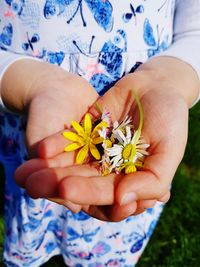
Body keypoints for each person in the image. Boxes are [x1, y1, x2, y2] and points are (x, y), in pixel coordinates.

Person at [0, 0, 200, 266]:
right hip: (29, 124)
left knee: (117, 207)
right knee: (40, 193)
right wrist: (24, 80)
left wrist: (171, 79)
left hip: (137, 107)